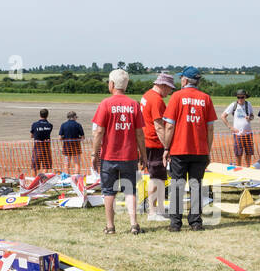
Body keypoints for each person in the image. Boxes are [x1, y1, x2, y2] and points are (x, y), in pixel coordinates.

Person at [91, 68, 148, 234]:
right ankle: (134, 225)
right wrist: (143, 154)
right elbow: (139, 133)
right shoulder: (134, 104)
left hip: (109, 156)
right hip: (129, 156)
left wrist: (95, 154)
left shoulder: (105, 104)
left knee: (109, 191)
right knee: (130, 190)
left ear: (111, 84)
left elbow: (99, 132)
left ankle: (110, 226)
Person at [161, 66, 216, 231]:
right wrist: (207, 151)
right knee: (196, 185)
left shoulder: (177, 97)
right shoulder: (206, 98)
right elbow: (210, 128)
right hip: (199, 150)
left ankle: (175, 223)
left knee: (177, 185)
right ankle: (196, 222)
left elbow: (169, 126)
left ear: (184, 80)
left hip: (179, 149)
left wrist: (166, 148)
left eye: (180, 79)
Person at [139, 70, 175, 221]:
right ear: (163, 85)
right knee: (157, 178)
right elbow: (159, 126)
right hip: (154, 143)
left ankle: (156, 210)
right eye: (169, 88)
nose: (170, 91)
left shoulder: (147, 95)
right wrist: (167, 146)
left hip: (146, 142)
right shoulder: (157, 100)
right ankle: (153, 212)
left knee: (157, 177)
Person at [223, 89, 256, 167]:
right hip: (237, 134)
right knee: (238, 153)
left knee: (249, 152)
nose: (240, 99)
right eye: (238, 97)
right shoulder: (233, 105)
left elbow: (252, 116)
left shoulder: (248, 104)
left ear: (245, 97)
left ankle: (247, 168)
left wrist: (250, 118)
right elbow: (223, 116)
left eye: (242, 97)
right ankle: (239, 167)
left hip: (248, 133)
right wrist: (230, 127)